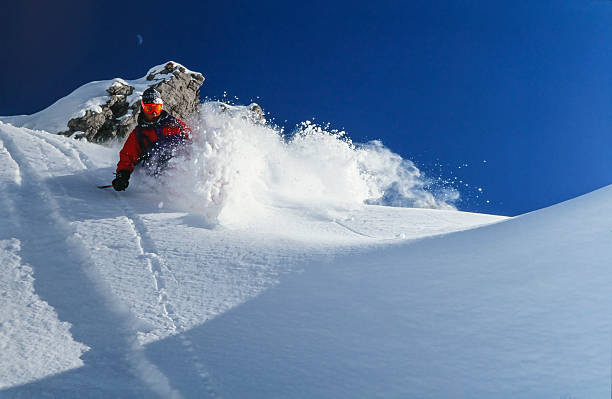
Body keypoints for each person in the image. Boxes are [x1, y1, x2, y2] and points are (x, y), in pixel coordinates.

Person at [112, 88, 192, 191]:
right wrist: (123, 175)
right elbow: (127, 156)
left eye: (157, 108)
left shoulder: (175, 124)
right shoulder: (139, 134)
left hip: (183, 168)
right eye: (150, 109)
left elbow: (193, 138)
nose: (154, 113)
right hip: (157, 175)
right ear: (143, 109)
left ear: (161, 107)